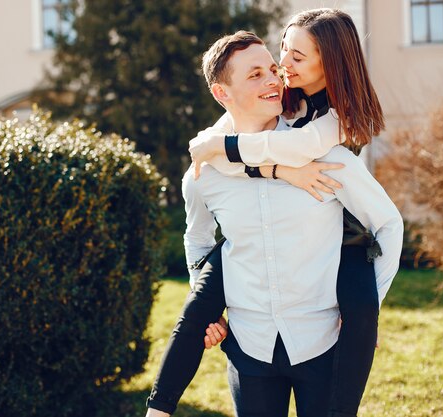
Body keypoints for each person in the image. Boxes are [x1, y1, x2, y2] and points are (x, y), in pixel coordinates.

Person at [146, 10, 402, 417]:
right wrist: (207, 304)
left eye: (287, 61)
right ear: (221, 93)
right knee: (197, 309)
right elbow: (197, 234)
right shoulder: (205, 172)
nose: (279, 72)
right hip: (249, 344)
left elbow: (387, 223)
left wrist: (368, 307)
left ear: (326, 64)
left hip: (323, 334)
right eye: (263, 69)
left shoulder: (325, 146)